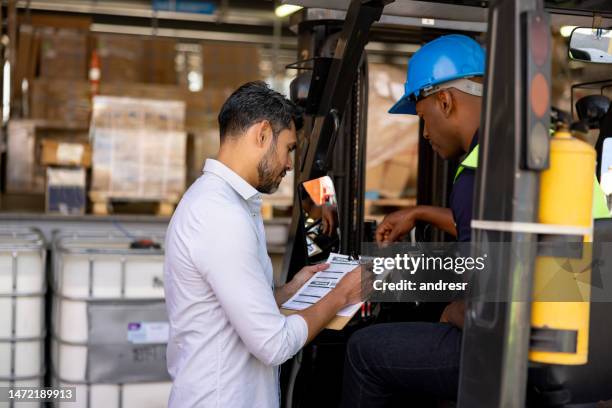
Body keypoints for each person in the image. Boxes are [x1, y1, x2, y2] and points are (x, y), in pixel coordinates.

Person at [341, 34, 611, 407]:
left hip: (516, 356)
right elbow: (524, 235)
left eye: (423, 119)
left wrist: (450, 309)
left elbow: (483, 310)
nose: (425, 133)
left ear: (446, 101)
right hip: (583, 349)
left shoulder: (478, 171)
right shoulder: (554, 150)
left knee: (364, 350)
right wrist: (420, 213)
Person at [164, 81, 363, 408]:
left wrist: (287, 291)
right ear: (262, 133)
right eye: (288, 148)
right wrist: (344, 293)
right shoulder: (221, 215)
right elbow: (273, 344)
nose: (289, 164)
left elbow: (228, 305)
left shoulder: (224, 203)